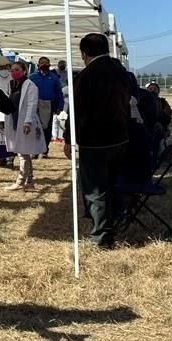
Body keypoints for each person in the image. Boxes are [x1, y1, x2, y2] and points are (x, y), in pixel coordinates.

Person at [64, 33, 130, 248]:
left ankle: (101, 235)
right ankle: (117, 221)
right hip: (120, 136)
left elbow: (76, 111)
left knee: (95, 188)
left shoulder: (85, 76)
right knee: (114, 182)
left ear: (84, 53)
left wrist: (68, 138)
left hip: (94, 140)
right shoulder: (121, 72)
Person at [1, 61, 47, 191]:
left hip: (26, 122)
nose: (14, 72)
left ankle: (20, 182)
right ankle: (30, 181)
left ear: (24, 71)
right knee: (24, 151)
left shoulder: (30, 86)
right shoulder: (12, 85)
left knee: (23, 152)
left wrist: (27, 122)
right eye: (12, 70)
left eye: (17, 69)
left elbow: (32, 105)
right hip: (14, 120)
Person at [29, 56, 65, 157]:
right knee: (35, 128)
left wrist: (60, 106)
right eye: (42, 63)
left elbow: (59, 93)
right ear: (38, 65)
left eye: (46, 63)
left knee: (47, 129)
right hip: (35, 106)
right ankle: (35, 150)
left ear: (49, 65)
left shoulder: (54, 78)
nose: (44, 65)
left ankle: (44, 150)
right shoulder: (32, 77)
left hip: (49, 105)